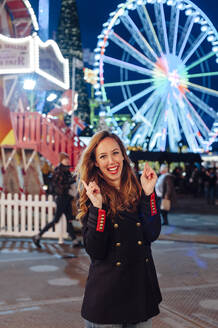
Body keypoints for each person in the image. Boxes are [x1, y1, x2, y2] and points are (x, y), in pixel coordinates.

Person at [76, 130, 162, 328]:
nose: (111, 161)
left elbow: (151, 234)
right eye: (103, 156)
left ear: (123, 154)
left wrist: (149, 194)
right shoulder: (92, 194)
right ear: (96, 162)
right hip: (107, 301)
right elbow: (96, 251)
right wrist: (98, 208)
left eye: (115, 153)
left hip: (139, 295)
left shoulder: (139, 189)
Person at [32, 152, 82, 248]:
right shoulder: (59, 171)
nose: (67, 160)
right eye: (65, 159)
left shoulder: (66, 171)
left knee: (69, 219)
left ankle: (75, 240)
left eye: (68, 159)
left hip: (67, 198)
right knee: (56, 219)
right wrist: (70, 182)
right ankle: (38, 236)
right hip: (61, 198)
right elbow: (58, 186)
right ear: (61, 160)